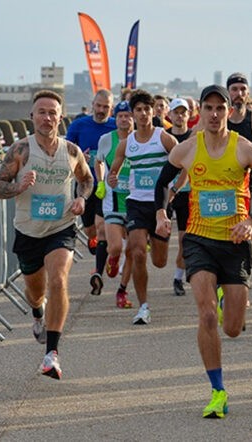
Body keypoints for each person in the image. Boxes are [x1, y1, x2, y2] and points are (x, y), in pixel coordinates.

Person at [153, 84, 252, 419]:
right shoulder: (187, 149)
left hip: (236, 243)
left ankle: (233, 302)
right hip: (199, 239)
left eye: (220, 109)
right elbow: (162, 183)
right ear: (202, 111)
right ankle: (217, 390)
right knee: (207, 313)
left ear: (229, 111)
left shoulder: (244, 149)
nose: (214, 115)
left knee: (232, 327)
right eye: (209, 108)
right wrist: (161, 212)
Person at [0, 90, 94, 380]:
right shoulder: (20, 151)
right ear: (32, 116)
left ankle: (52, 354)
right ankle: (38, 312)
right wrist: (19, 186)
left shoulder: (71, 151)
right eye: (42, 112)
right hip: (28, 230)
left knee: (59, 280)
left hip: (60, 227)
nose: (47, 118)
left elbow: (86, 180)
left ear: (60, 118)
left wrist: (81, 199)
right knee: (36, 292)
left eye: (53, 113)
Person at [107, 89, 178, 325]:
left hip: (160, 205)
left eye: (147, 109)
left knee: (159, 261)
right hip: (136, 203)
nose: (143, 113)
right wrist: (112, 179)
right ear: (133, 113)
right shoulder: (127, 144)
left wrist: (175, 189)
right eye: (138, 110)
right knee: (137, 252)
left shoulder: (164, 138)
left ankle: (154, 243)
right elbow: (113, 172)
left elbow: (185, 164)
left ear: (153, 111)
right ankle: (143, 306)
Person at [65, 89, 117, 296]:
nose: (102, 110)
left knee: (101, 225)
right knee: (90, 230)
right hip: (85, 185)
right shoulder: (79, 125)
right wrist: (78, 157)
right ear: (92, 104)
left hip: (107, 186)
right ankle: (97, 247)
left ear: (111, 108)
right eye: (99, 105)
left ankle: (98, 273)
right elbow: (66, 149)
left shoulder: (115, 126)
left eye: (106, 107)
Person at [97, 101, 135, 309]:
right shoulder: (106, 140)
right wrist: (101, 180)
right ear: (115, 118)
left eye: (128, 116)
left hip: (136, 204)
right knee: (116, 247)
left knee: (133, 252)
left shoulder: (141, 139)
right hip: (112, 202)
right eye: (120, 116)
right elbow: (99, 161)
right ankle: (112, 258)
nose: (124, 119)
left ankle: (122, 290)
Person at [166, 98, 193, 296]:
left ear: (189, 115)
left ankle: (178, 277)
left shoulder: (194, 137)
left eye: (184, 112)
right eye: (176, 112)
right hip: (164, 194)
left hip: (188, 193)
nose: (180, 115)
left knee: (185, 240)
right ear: (170, 115)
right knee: (159, 244)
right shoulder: (163, 137)